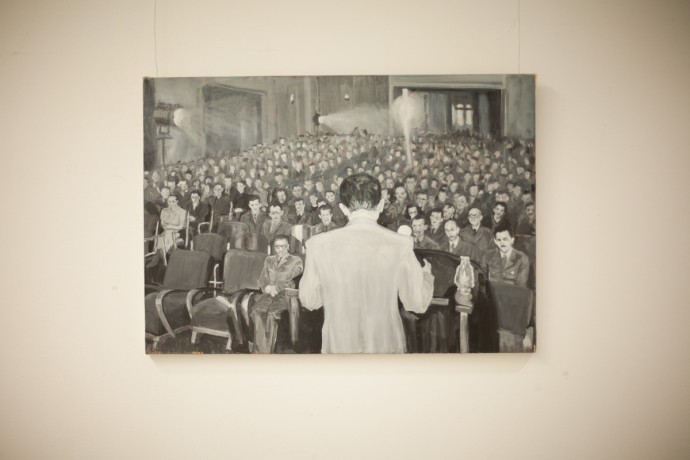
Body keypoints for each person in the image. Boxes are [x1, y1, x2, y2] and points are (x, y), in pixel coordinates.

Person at [299, 173, 434, 353]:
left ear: (343, 208)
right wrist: (426, 275)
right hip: (386, 349)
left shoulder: (317, 245)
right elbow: (417, 302)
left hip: (339, 349)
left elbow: (309, 300)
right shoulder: (401, 244)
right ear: (381, 205)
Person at [249, 235, 304, 353]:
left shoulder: (296, 261)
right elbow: (263, 278)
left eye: (283, 246)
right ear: (274, 247)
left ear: (288, 246)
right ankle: (259, 351)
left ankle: (267, 351)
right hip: (269, 294)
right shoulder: (269, 260)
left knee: (272, 315)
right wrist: (266, 287)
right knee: (257, 312)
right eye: (277, 247)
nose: (280, 249)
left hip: (285, 295)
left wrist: (277, 288)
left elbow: (293, 281)